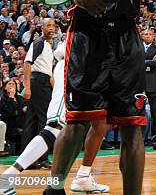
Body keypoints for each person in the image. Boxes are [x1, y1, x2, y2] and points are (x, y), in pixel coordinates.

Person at [32, 0, 147, 195]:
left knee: (132, 126)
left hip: (125, 34)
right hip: (86, 33)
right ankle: (54, 189)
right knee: (77, 122)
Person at [1, 40, 109, 194]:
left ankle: (83, 177)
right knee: (55, 126)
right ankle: (7, 178)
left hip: (93, 70)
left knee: (86, 126)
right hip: (73, 65)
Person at [21, 19, 56, 169]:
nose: (51, 28)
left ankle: (27, 159)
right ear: (42, 28)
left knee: (32, 121)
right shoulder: (39, 42)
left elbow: (49, 72)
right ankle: (42, 157)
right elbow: (27, 63)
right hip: (38, 84)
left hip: (43, 83)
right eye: (48, 25)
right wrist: (27, 87)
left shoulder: (49, 45)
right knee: (45, 121)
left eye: (53, 26)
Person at [142, 29, 156, 151]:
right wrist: (149, 62)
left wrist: (143, 62)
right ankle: (140, 139)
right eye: (145, 34)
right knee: (138, 113)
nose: (148, 36)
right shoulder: (137, 47)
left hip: (154, 84)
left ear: (153, 36)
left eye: (150, 34)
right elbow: (134, 62)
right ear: (142, 35)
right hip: (139, 84)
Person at [0, 80, 26, 153]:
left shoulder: (20, 98)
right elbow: (9, 112)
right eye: (9, 84)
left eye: (13, 84)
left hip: (21, 124)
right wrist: (11, 97)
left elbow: (24, 109)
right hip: (10, 125)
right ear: (5, 87)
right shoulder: (2, 99)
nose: (11, 85)